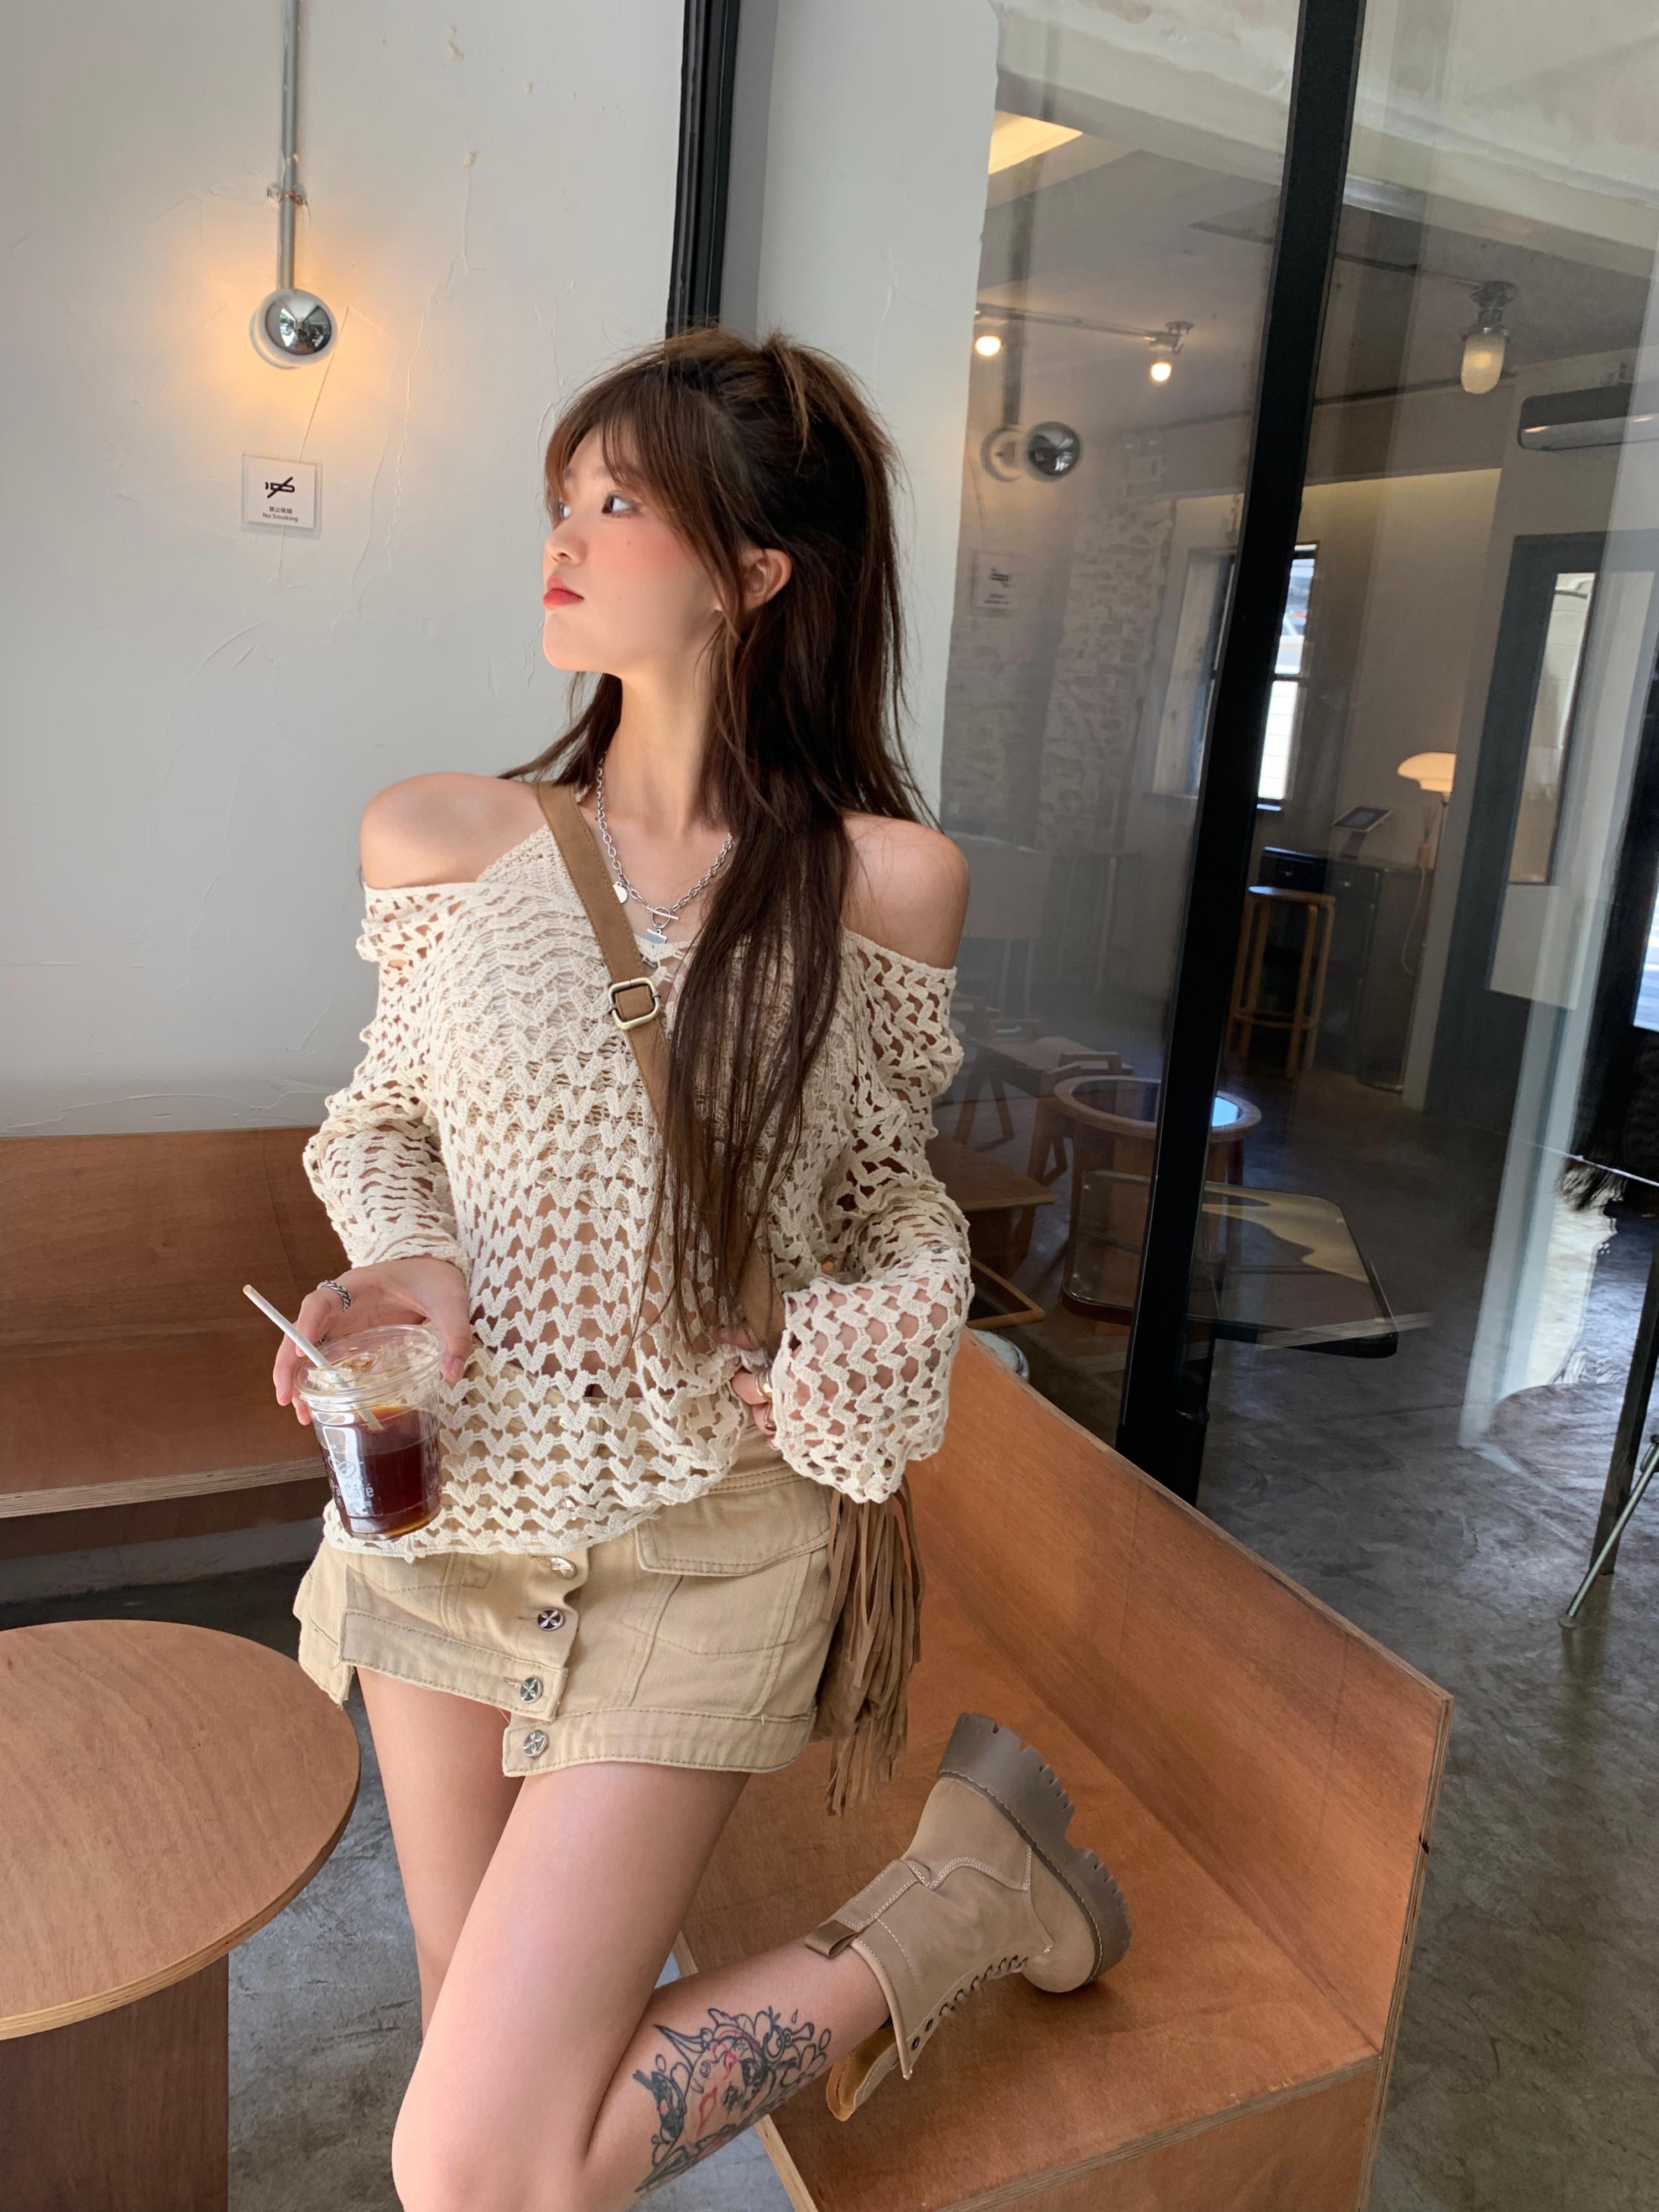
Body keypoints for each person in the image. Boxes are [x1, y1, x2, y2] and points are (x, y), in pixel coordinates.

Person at [273, 328, 1128, 2212]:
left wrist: (859, 1340)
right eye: (561, 499)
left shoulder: (881, 883)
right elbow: (386, 1118)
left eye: (618, 501)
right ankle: (976, 1880)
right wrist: (406, 1262)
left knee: (478, 2157)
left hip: (710, 1542)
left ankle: (956, 1898)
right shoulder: (441, 838)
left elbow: (894, 1210)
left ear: (754, 573)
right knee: (478, 2068)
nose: (562, 539)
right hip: (447, 1518)